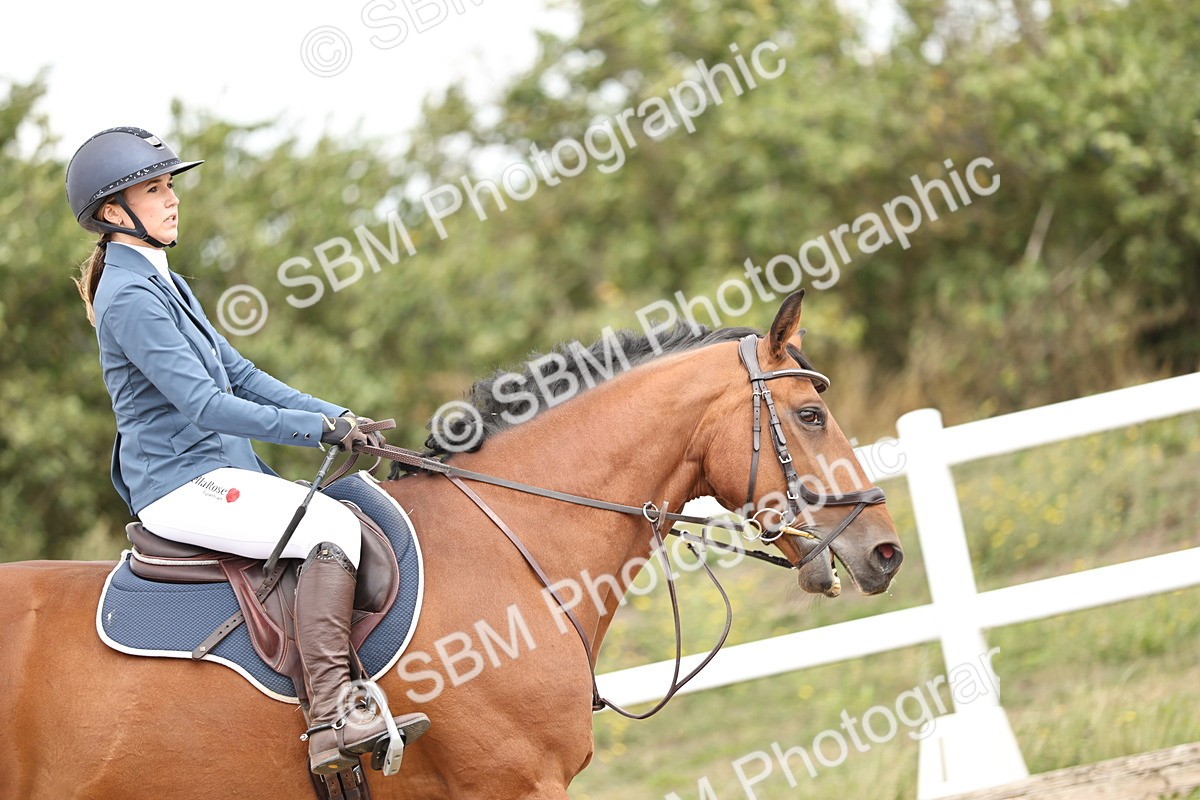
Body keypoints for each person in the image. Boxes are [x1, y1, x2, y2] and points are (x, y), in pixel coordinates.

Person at [65, 126, 429, 776]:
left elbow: (240, 373)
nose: (172, 199)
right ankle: (333, 718)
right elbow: (205, 404)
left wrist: (336, 414)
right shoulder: (129, 297)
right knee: (329, 527)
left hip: (217, 470)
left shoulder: (163, 281)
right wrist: (317, 431)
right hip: (180, 484)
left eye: (170, 186)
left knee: (338, 516)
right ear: (113, 213)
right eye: (155, 190)